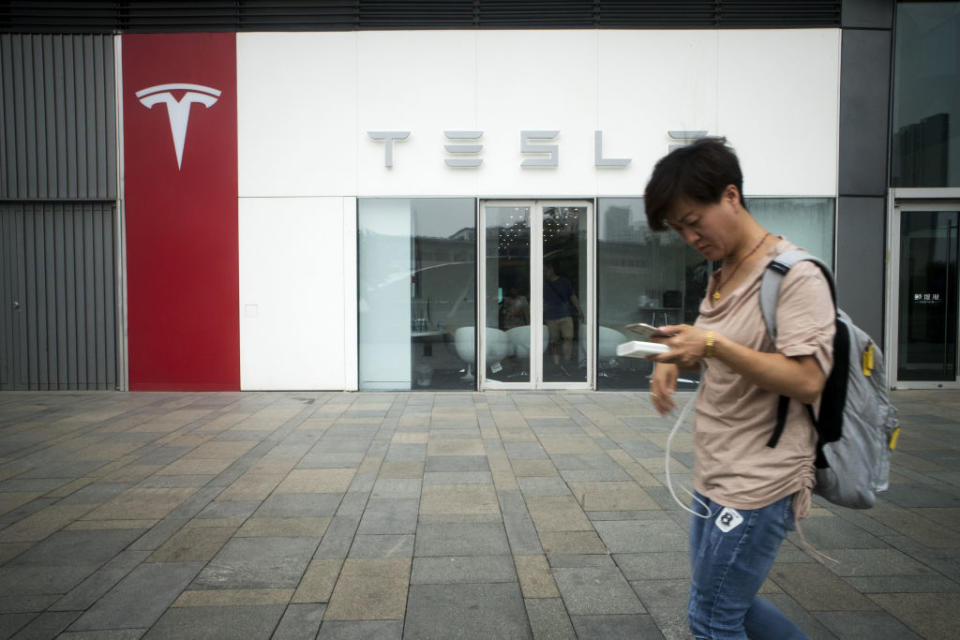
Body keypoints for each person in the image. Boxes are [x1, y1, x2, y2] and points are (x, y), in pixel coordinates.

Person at [644, 138, 835, 640]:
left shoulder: (797, 276)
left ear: (731, 196)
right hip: (716, 470)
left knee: (711, 618)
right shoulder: (723, 275)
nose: (689, 237)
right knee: (733, 605)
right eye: (678, 229)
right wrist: (672, 356)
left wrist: (711, 345)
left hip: (759, 481)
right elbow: (722, 346)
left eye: (693, 220)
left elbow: (809, 380)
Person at [543, 262, 585, 369]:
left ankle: (566, 362)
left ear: (551, 269)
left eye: (545, 271)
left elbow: (572, 296)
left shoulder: (564, 282)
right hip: (550, 316)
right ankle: (556, 365)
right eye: (543, 272)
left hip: (565, 315)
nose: (544, 273)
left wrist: (579, 309)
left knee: (568, 338)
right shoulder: (543, 283)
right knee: (554, 341)